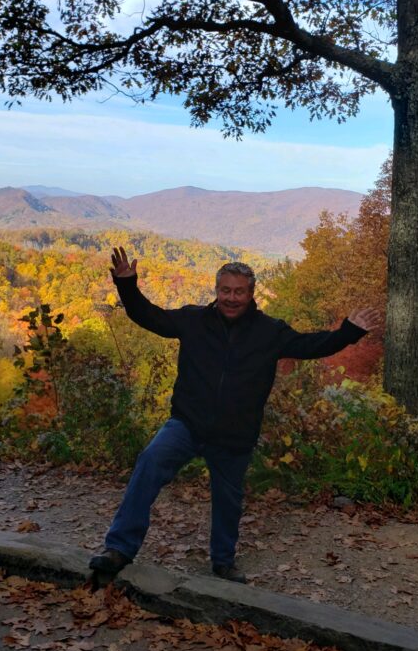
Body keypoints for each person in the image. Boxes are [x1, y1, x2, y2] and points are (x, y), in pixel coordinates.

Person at [90, 246, 379, 583]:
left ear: (251, 294)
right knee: (149, 463)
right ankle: (120, 549)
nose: (231, 298)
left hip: (235, 434)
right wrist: (127, 286)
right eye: (225, 290)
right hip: (187, 424)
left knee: (229, 500)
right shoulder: (194, 320)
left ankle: (223, 562)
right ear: (216, 291)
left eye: (239, 291)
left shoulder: (270, 331)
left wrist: (349, 331)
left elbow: (312, 345)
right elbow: (149, 316)